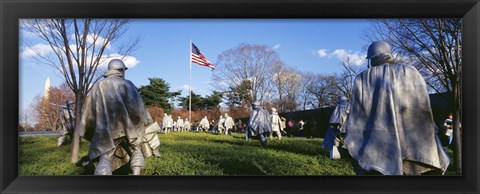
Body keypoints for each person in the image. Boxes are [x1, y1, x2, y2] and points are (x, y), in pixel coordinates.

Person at [342, 41, 450, 175]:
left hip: (377, 147)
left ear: (372, 58)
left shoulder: (363, 78)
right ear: (389, 55)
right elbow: (423, 108)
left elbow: (358, 115)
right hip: (413, 144)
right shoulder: (410, 72)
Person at [78, 59, 154, 175]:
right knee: (136, 150)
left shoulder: (98, 85)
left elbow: (88, 110)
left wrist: (88, 128)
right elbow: (137, 107)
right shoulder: (127, 84)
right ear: (120, 70)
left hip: (105, 129)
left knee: (105, 156)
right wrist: (144, 121)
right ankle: (136, 173)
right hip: (129, 129)